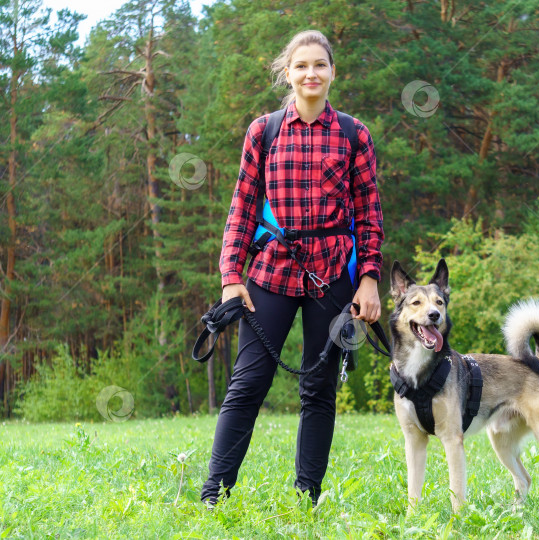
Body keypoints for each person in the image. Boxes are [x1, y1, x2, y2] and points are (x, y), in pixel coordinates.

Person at [200, 29, 384, 508]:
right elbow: (242, 207)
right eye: (301, 66)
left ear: (332, 73)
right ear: (288, 73)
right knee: (248, 384)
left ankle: (307, 499)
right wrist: (230, 277)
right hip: (271, 273)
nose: (311, 74)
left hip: (331, 275)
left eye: (319, 65)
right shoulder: (263, 131)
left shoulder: (353, 133)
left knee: (318, 388)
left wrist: (368, 278)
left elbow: (368, 212)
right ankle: (212, 497)